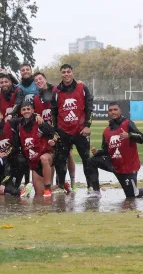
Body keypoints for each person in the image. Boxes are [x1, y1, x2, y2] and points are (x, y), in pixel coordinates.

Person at [88, 102, 143, 198]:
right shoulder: (106, 131)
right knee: (91, 161)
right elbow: (107, 150)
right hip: (114, 164)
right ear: (108, 113)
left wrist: (129, 135)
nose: (113, 112)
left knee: (132, 196)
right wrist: (98, 152)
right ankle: (96, 191)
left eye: (115, 110)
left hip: (128, 167)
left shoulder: (128, 123)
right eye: (110, 110)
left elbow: (141, 138)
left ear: (120, 111)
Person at [51, 64, 96, 193]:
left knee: (86, 159)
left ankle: (90, 186)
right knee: (60, 160)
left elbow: (89, 107)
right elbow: (53, 112)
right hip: (63, 131)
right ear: (61, 74)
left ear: (73, 73)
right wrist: (56, 130)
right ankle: (60, 186)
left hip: (81, 131)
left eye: (68, 71)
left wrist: (87, 125)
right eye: (64, 72)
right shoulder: (57, 91)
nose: (66, 74)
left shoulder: (82, 88)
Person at [34, 72, 76, 189]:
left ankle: (72, 181)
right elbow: (36, 112)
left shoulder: (56, 90)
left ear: (45, 79)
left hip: (61, 128)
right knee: (51, 156)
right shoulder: (37, 97)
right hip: (48, 131)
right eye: (36, 80)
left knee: (68, 154)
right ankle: (53, 184)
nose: (39, 81)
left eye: (40, 79)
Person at [15, 102, 56, 197]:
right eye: (24, 109)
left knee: (44, 159)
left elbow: (54, 134)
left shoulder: (40, 122)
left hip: (47, 156)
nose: (26, 111)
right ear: (21, 111)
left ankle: (48, 187)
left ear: (33, 110)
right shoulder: (19, 125)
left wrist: (53, 141)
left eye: (28, 109)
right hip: (34, 162)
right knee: (39, 195)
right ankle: (61, 187)